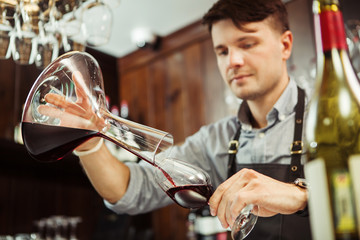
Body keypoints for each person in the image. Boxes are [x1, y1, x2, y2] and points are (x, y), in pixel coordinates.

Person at [39, 0, 312, 239]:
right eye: (222, 51)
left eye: (247, 43)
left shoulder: (330, 116)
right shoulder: (214, 140)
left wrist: (301, 197)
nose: (233, 60)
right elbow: (130, 190)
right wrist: (88, 143)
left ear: (285, 44)